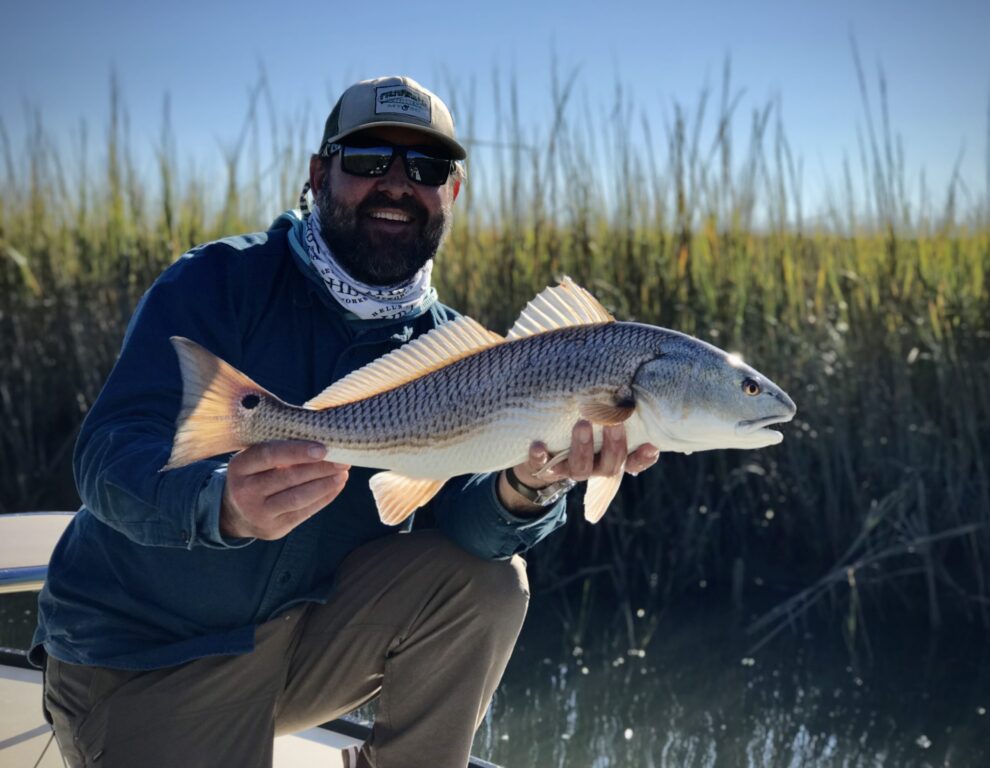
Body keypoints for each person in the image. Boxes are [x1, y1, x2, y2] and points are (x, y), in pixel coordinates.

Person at [31, 75, 660, 768]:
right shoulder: (217, 282)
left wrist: (528, 487)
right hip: (141, 659)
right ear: (317, 173)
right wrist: (219, 505)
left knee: (490, 584)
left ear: (452, 194)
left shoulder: (460, 349)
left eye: (426, 168)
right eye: (367, 160)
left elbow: (465, 526)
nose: (397, 184)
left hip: (298, 651)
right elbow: (107, 458)